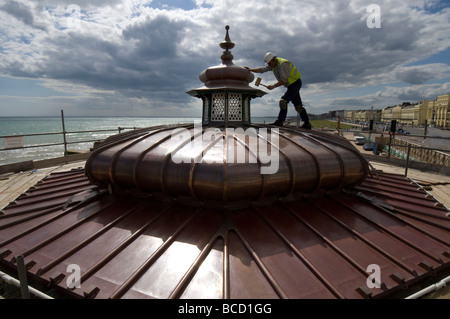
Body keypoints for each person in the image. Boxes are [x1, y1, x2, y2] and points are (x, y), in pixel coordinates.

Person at [246, 52, 311, 129]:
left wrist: (273, 86)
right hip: (291, 85)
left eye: (269, 63)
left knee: (283, 101)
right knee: (298, 106)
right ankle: (307, 123)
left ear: (274, 60)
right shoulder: (273, 64)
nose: (269, 65)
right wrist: (251, 70)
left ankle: (280, 121)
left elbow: (284, 80)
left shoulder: (283, 64)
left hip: (295, 83)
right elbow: (263, 69)